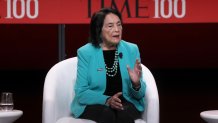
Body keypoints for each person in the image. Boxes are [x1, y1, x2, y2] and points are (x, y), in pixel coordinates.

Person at [71, 8, 146, 123]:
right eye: (110, 26)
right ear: (99, 30)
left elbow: (139, 94)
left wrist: (136, 84)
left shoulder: (131, 49)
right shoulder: (86, 52)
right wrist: (107, 100)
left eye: (119, 24)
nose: (117, 30)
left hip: (125, 103)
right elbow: (81, 93)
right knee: (107, 115)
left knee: (123, 116)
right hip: (96, 103)